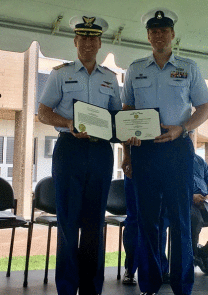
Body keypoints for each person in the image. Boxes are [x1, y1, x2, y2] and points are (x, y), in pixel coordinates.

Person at [121, 7, 208, 295]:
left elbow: (204, 108)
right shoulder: (135, 69)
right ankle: (149, 283)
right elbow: (127, 111)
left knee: (181, 219)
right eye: (153, 31)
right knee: (148, 221)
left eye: (163, 30)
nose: (158, 35)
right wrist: (126, 151)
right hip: (144, 152)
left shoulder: (190, 67)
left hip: (178, 149)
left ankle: (182, 285)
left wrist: (181, 129)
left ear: (172, 34)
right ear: (148, 36)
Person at [38, 15, 121, 295]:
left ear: (100, 43)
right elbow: (43, 112)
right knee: (68, 222)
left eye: (92, 39)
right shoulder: (60, 74)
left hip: (100, 151)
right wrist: (68, 123)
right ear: (75, 41)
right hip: (69, 150)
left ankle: (91, 288)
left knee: (94, 221)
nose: (87, 43)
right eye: (82, 38)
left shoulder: (110, 78)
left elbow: (116, 116)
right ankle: (66, 287)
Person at [122, 175, 170, 285]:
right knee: (134, 219)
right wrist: (126, 158)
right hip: (136, 165)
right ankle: (130, 269)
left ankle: (161, 269)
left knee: (161, 220)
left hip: (162, 166)